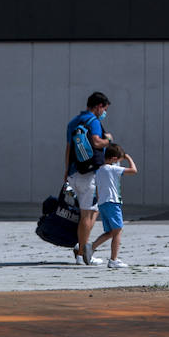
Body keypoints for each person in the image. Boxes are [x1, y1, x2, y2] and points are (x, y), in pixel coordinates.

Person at [64, 91, 112, 264]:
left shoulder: (72, 122)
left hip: (74, 173)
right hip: (89, 174)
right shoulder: (94, 122)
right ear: (99, 106)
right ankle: (82, 254)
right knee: (87, 214)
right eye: (104, 109)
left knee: (92, 211)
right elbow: (97, 142)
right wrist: (109, 140)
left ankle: (82, 246)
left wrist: (66, 173)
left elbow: (68, 150)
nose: (104, 113)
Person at [89, 143, 137, 268]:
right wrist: (128, 158)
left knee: (110, 232)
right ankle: (113, 260)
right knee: (118, 230)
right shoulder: (112, 169)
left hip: (103, 203)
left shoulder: (99, 170)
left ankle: (91, 248)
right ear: (114, 159)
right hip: (113, 202)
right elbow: (133, 170)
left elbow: (98, 189)